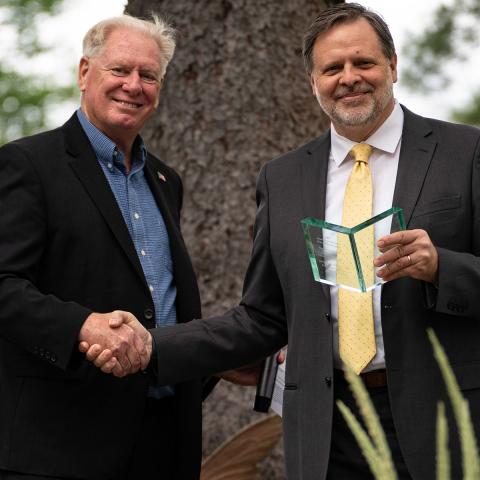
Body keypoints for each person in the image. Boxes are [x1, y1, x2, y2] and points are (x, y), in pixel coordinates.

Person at [84, 3, 480, 479]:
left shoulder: (465, 152)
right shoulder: (283, 178)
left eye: (364, 63)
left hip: (445, 422)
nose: (349, 77)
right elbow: (261, 317)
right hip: (326, 432)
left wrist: (442, 268)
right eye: (332, 68)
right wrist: (152, 347)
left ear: (392, 66)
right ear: (312, 81)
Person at [0, 14, 211, 480]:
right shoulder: (27, 164)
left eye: (148, 75)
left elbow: (163, 304)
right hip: (61, 446)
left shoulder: (166, 181)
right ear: (83, 72)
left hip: (164, 440)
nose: (133, 86)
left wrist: (216, 354)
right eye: (120, 70)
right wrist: (82, 325)